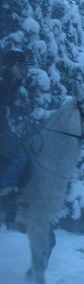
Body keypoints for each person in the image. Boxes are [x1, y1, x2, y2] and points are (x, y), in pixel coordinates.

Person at [0, 50, 29, 202]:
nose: (22, 70)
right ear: (8, 66)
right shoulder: (2, 83)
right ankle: (5, 187)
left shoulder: (14, 85)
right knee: (20, 156)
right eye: (19, 66)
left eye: (24, 66)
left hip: (4, 129)